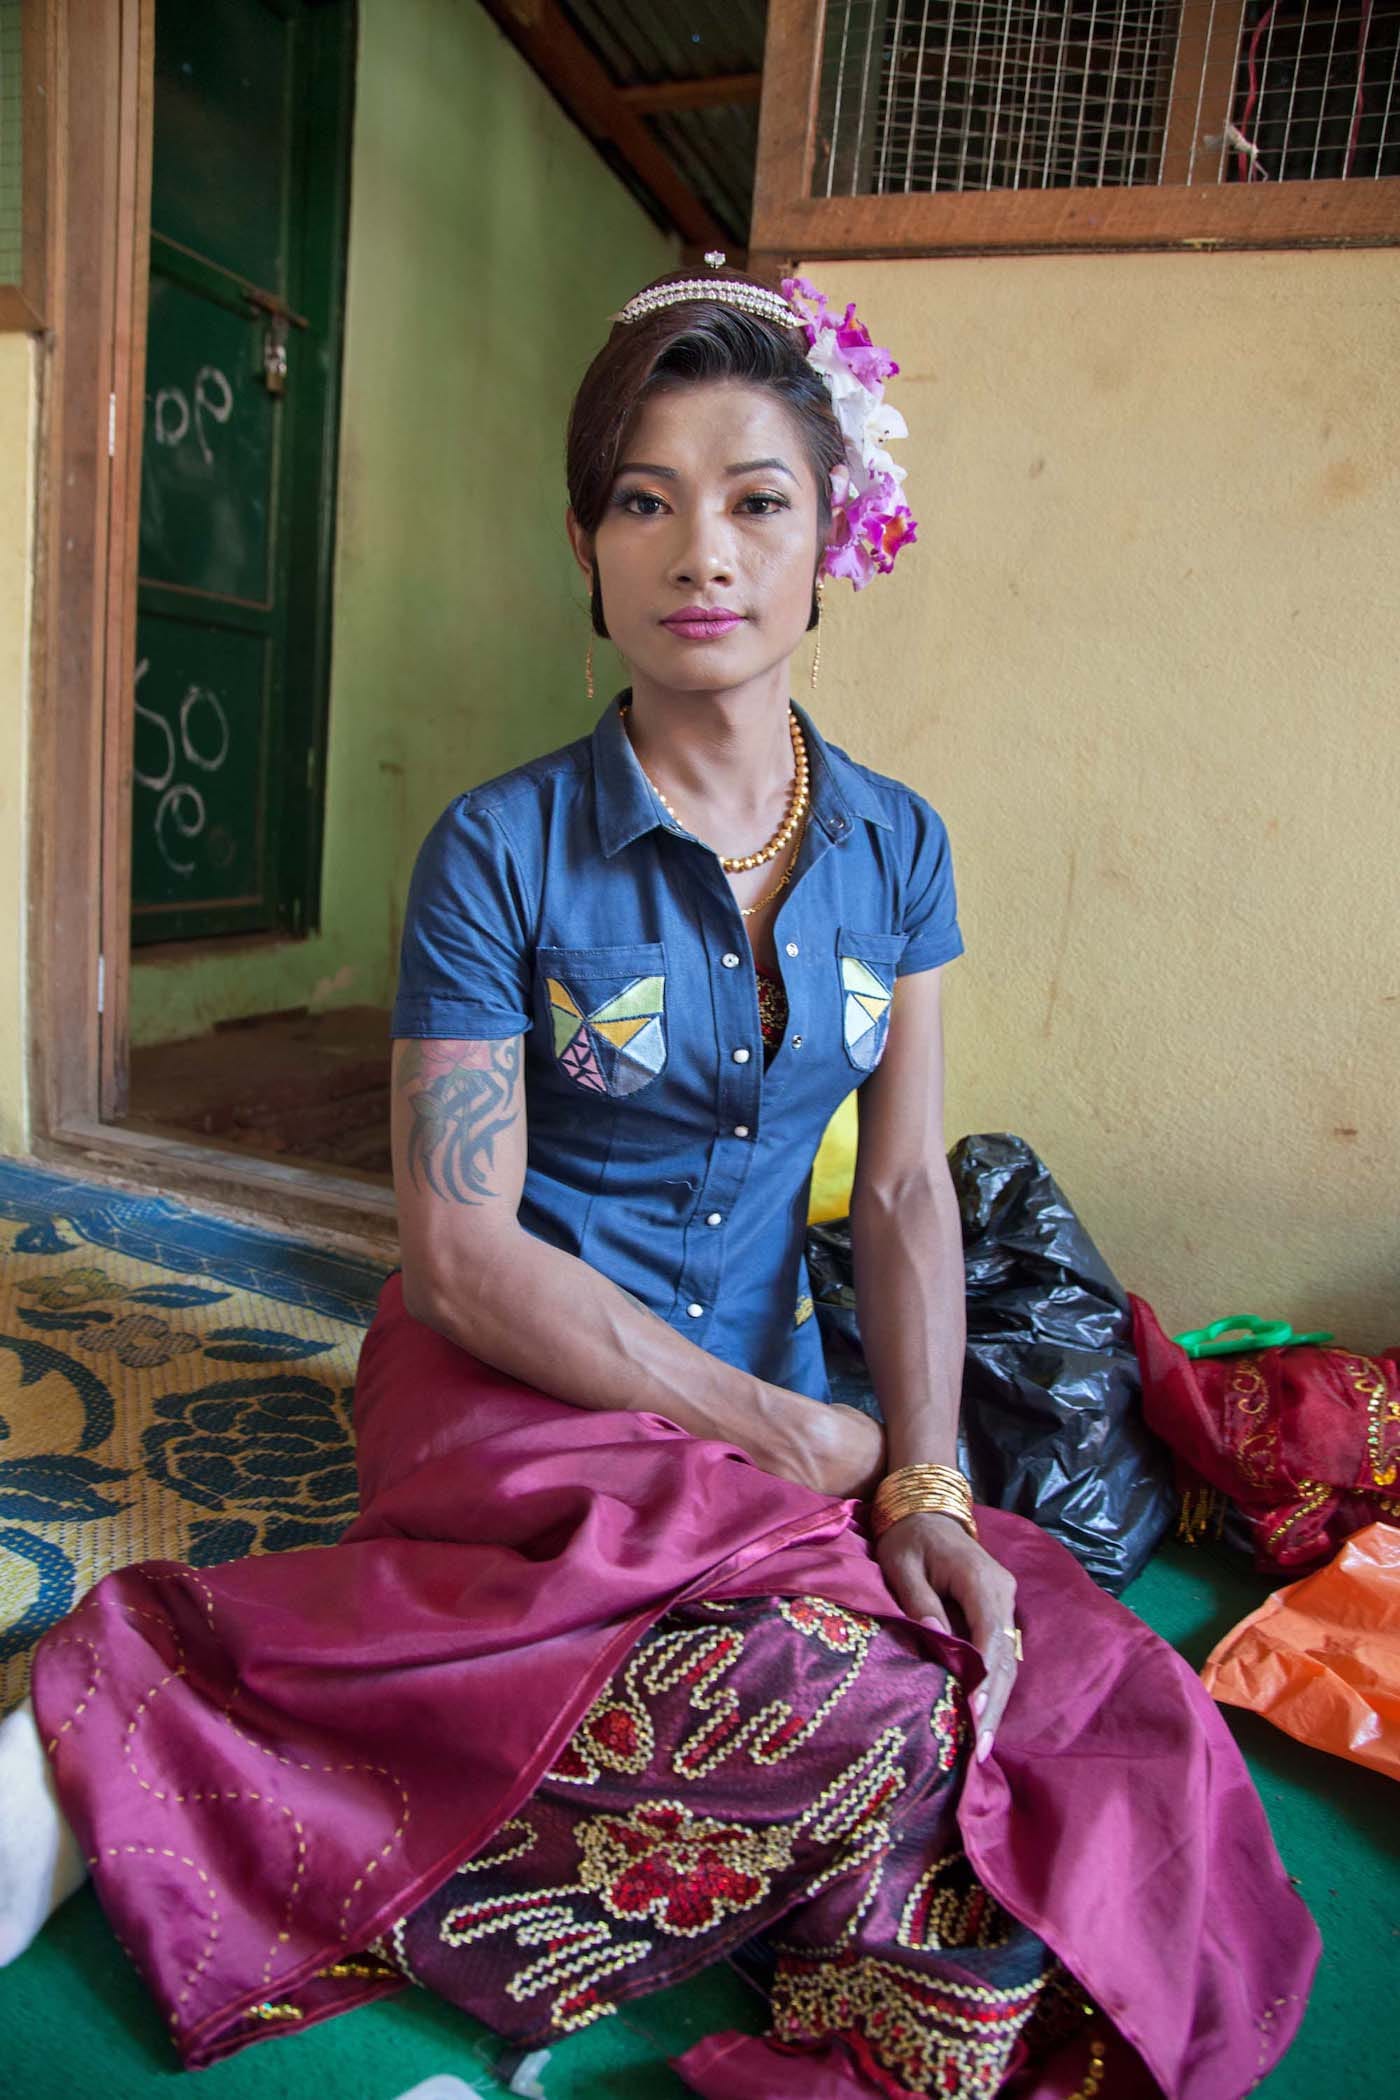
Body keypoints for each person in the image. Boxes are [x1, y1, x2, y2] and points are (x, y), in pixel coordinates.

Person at [1, 265, 1317, 2098]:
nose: (703, 548)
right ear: (587, 547)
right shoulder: (495, 851)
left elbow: (913, 1191)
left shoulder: (901, 846)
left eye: (756, 498)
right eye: (645, 497)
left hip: (777, 1411)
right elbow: (459, 1256)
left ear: (829, 540)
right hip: (519, 1395)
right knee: (839, 1690)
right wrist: (779, 1439)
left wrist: (922, 1475)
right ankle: (131, 1740)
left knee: (1053, 1698)